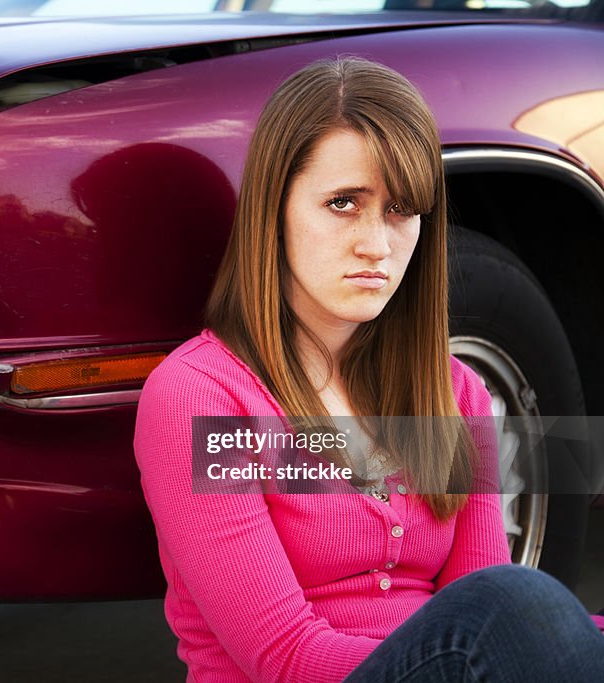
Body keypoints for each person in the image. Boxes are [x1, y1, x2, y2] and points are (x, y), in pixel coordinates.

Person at [132, 56, 604, 682]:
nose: (376, 245)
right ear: (273, 210)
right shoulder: (201, 397)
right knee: (523, 607)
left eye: (400, 209)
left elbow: (476, 586)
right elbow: (283, 657)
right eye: (344, 202)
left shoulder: (455, 390)